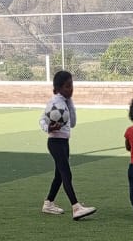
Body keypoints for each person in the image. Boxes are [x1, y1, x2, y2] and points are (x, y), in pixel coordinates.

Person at [38, 70, 96, 220]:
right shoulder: (54, 103)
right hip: (55, 142)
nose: (71, 89)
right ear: (58, 89)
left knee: (59, 175)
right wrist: (49, 128)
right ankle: (76, 207)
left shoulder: (65, 102)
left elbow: (73, 123)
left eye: (71, 85)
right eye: (67, 86)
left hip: (64, 142)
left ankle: (48, 203)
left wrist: (70, 103)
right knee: (66, 173)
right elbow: (42, 120)